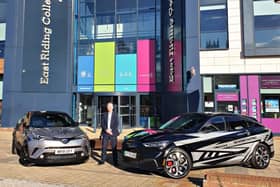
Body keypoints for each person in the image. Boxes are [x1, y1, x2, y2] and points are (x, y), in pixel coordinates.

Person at [99, 102, 120, 166]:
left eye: (110, 107)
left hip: (113, 133)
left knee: (114, 148)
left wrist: (111, 131)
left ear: (112, 107)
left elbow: (116, 124)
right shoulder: (104, 114)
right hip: (105, 133)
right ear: (107, 108)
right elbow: (102, 123)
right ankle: (102, 160)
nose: (109, 108)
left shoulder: (115, 115)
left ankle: (115, 162)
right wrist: (106, 130)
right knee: (104, 147)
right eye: (108, 107)